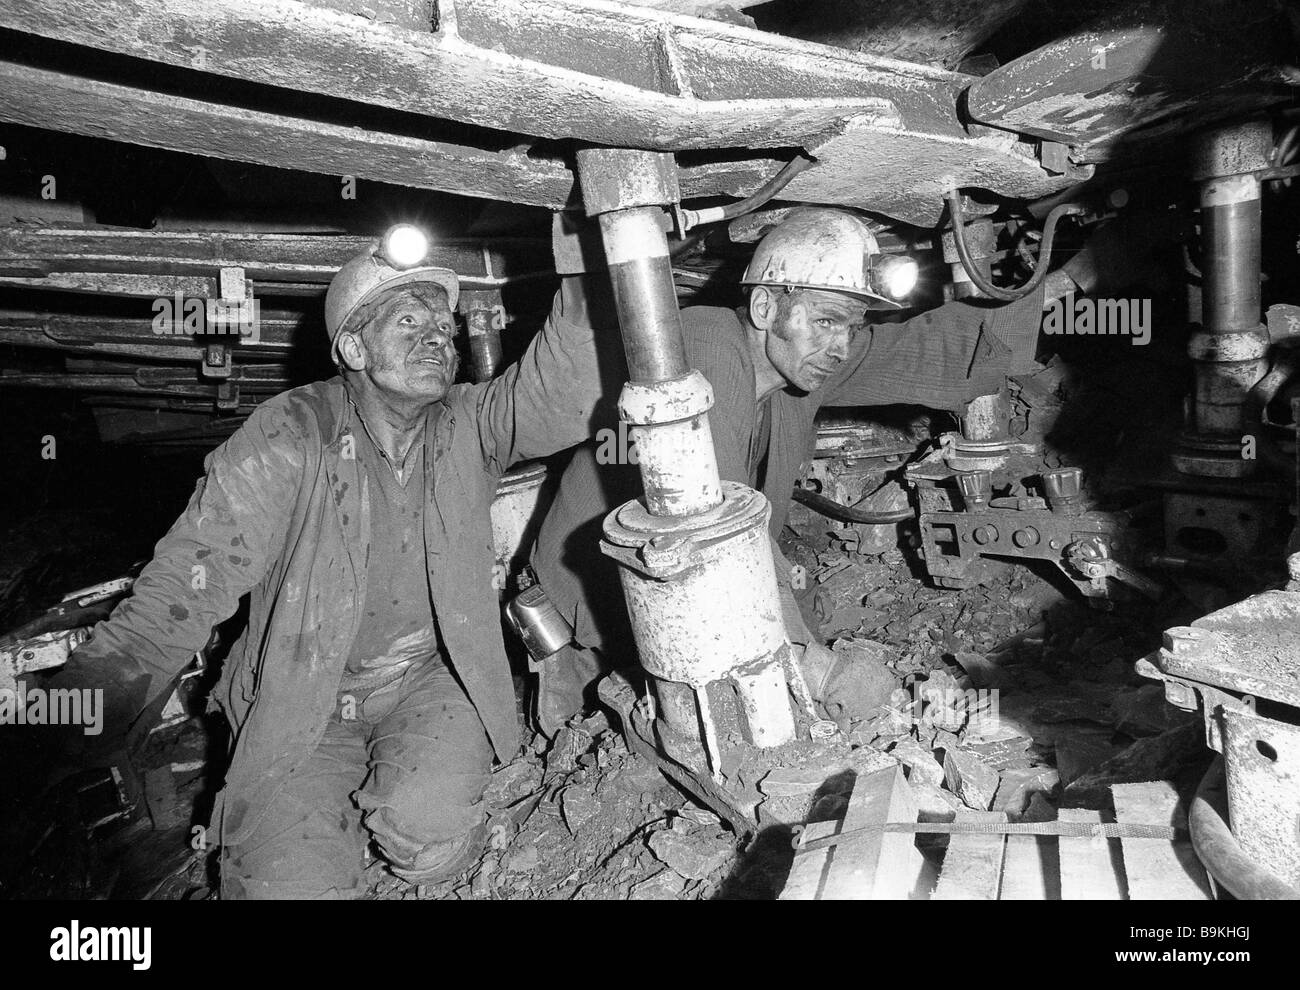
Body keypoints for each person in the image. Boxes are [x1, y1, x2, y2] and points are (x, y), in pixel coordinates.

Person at [42, 223, 610, 898]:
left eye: (446, 326)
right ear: (353, 346)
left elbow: (565, 394)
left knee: (426, 836)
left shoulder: (469, 421)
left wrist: (591, 249)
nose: (439, 336)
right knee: (283, 886)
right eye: (409, 320)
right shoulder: (293, 432)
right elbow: (190, 583)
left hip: (433, 678)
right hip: (298, 701)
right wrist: (67, 718)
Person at [530, 206, 1119, 734]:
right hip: (585, 629)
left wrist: (1075, 280)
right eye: (829, 320)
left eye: (853, 326)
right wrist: (811, 665)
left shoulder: (795, 369)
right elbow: (711, 531)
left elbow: (927, 350)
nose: (841, 345)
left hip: (669, 626)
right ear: (765, 307)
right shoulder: (703, 344)